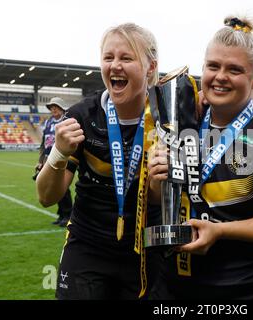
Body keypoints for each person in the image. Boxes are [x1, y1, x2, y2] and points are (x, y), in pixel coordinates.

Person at [148, 15, 253, 300]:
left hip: (241, 290)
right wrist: (155, 183)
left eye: (234, 69)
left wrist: (220, 231)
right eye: (213, 66)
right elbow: (166, 200)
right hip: (172, 286)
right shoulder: (186, 121)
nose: (220, 76)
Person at [36, 23, 164, 299]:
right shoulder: (82, 115)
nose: (115, 65)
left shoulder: (168, 116)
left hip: (148, 250)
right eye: (108, 57)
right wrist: (59, 152)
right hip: (88, 248)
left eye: (126, 58)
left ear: (151, 67)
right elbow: (46, 196)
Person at [34, 97, 72, 227]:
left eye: (56, 107)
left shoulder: (66, 121)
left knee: (64, 189)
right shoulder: (49, 122)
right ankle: (61, 214)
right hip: (49, 159)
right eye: (51, 107)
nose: (53, 109)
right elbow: (43, 144)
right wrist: (41, 161)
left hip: (63, 159)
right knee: (53, 186)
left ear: (62, 108)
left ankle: (68, 215)